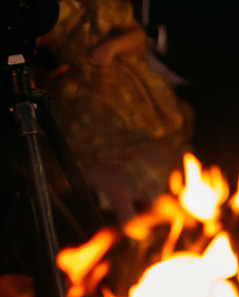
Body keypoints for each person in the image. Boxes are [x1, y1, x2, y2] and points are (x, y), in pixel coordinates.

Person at [36, 0, 193, 223]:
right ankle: (129, 229)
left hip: (120, 94)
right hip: (75, 101)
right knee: (101, 164)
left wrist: (111, 47)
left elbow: (137, 33)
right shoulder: (44, 10)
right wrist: (47, 73)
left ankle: (169, 227)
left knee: (146, 156)